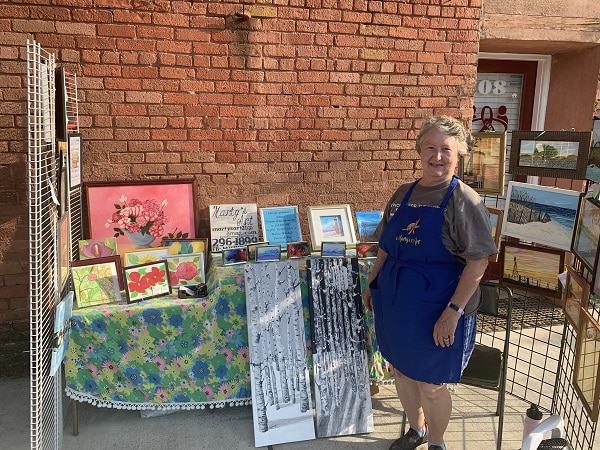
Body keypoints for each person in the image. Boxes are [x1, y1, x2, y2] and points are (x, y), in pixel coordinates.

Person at [362, 116, 498, 450]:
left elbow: (478, 261)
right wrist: (372, 281)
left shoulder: (465, 201)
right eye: (430, 148)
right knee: (401, 371)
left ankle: (436, 442)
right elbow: (385, 245)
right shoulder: (402, 194)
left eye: (446, 149)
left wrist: (453, 312)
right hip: (396, 302)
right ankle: (416, 429)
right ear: (419, 151)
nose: (437, 156)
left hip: (438, 307)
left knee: (432, 385)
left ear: (459, 153)